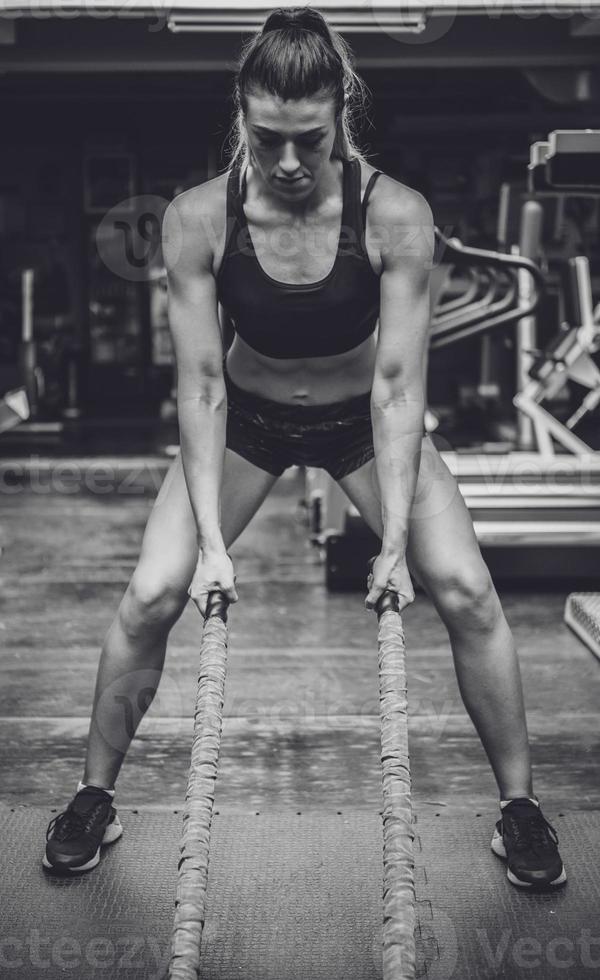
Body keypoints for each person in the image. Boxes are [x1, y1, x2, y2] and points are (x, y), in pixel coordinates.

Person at [43, 5, 565, 890]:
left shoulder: (397, 215)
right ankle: (95, 795)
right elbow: (201, 386)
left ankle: (519, 807)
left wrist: (394, 544)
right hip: (243, 418)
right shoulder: (197, 220)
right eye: (266, 137)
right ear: (242, 116)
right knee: (153, 592)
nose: (288, 162)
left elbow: (399, 390)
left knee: (469, 591)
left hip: (363, 423)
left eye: (309, 140)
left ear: (343, 113)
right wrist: (212, 545)